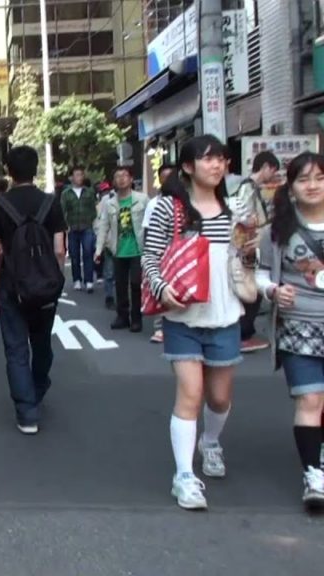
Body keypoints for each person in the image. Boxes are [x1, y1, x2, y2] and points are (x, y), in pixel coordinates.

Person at [142, 135, 244, 510]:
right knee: (190, 393)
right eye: (207, 159)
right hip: (181, 317)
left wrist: (251, 256)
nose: (217, 165)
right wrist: (161, 286)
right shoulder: (169, 209)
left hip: (225, 315)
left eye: (221, 159)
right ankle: (184, 476)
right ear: (188, 166)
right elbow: (150, 256)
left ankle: (210, 442)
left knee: (219, 397)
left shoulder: (235, 208)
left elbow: (246, 259)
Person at [0, 146, 67, 434]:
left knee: (16, 348)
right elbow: (59, 250)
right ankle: (38, 386)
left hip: (11, 287)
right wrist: (54, 279)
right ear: (35, 168)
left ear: (9, 171)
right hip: (46, 289)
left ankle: (27, 412)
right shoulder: (50, 203)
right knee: (42, 344)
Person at [257, 152, 324, 508]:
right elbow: (259, 272)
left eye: (320, 178)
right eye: (304, 179)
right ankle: (314, 476)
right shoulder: (278, 229)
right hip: (298, 325)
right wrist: (273, 290)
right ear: (292, 186)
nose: (312, 186)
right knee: (310, 399)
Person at [233, 151, 281, 353]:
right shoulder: (248, 187)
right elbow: (242, 217)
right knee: (250, 288)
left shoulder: (250, 187)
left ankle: (245, 330)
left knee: (252, 287)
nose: (273, 175)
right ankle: (243, 332)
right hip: (251, 245)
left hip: (252, 243)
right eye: (273, 170)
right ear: (266, 167)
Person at [96, 166, 148, 333]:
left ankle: (136, 318)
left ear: (131, 179)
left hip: (138, 249)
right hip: (118, 250)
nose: (121, 179)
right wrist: (98, 249)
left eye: (125, 175)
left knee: (135, 284)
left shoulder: (142, 199)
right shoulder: (109, 203)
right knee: (120, 285)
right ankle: (122, 316)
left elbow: (150, 223)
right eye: (118, 176)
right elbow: (103, 226)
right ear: (114, 181)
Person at [145, 164, 175, 344]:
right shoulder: (156, 204)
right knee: (161, 288)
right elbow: (148, 230)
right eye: (165, 177)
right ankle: (159, 327)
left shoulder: (187, 201)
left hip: (181, 257)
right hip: (162, 255)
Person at [61, 166, 99, 293]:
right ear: (71, 177)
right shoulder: (66, 194)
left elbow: (93, 209)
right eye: (77, 175)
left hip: (87, 227)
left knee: (88, 252)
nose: (79, 177)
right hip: (72, 228)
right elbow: (63, 211)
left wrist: (91, 221)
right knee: (74, 255)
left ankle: (89, 281)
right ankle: (77, 279)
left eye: (81, 174)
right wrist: (66, 226)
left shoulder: (89, 192)